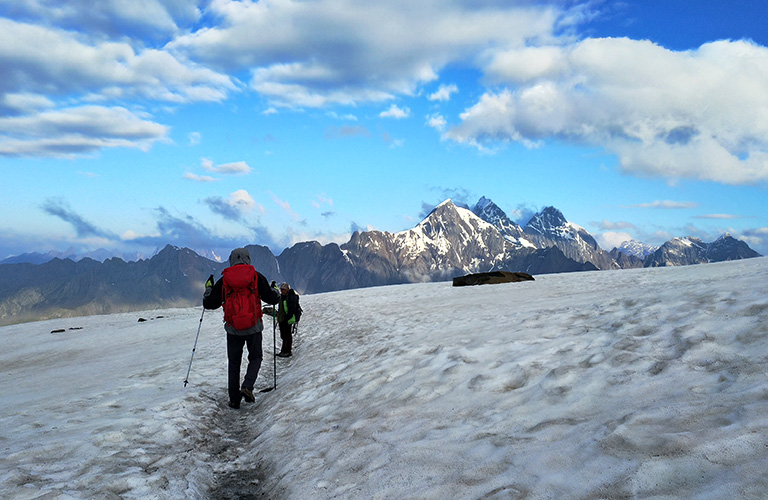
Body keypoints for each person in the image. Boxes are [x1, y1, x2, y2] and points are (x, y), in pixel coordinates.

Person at [203, 248, 279, 409]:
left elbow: (209, 304)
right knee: (256, 357)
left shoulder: (225, 279)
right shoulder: (256, 276)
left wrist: (208, 289)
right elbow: (272, 298)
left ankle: (234, 399)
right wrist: (276, 291)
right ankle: (248, 386)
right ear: (248, 259)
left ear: (231, 260)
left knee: (234, 363)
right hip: (254, 327)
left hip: (233, 329)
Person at [276, 282, 301, 357]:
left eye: (283, 290)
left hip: (286, 319)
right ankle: (284, 350)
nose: (282, 291)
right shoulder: (285, 296)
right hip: (284, 319)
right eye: (281, 290)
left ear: (287, 289)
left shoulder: (290, 297)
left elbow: (291, 309)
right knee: (284, 335)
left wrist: (286, 319)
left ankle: (287, 351)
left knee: (287, 335)